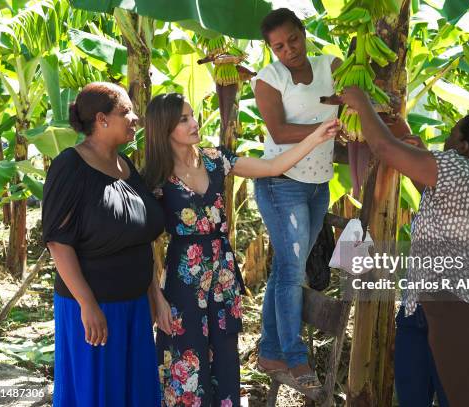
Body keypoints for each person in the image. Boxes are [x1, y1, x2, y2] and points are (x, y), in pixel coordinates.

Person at [142, 93, 339, 406]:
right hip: (183, 284)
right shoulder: (154, 180)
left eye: (192, 115)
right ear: (163, 127)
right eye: (183, 119)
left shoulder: (216, 159)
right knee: (186, 368)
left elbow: (273, 166)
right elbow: (141, 244)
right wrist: (158, 299)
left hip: (223, 278)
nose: (194, 123)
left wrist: (316, 137)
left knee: (225, 363)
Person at [339, 86, 469, 407]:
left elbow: (383, 147)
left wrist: (361, 102)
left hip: (461, 309)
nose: (446, 142)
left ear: (465, 147)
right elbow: (426, 183)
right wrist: (397, 122)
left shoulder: (457, 170)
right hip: (422, 306)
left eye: (452, 136)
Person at [42, 82, 165, 406]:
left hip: (135, 306)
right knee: (98, 394)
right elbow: (58, 243)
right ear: (102, 119)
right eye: (126, 111)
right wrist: (87, 304)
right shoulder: (71, 166)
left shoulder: (126, 166)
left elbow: (139, 237)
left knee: (133, 393)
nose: (135, 118)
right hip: (95, 308)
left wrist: (153, 292)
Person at [251, 7, 343, 387]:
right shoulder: (269, 80)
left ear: (304, 32)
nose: (289, 50)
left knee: (285, 271)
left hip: (318, 182)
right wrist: (326, 128)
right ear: (270, 50)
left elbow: (356, 104)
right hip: (281, 181)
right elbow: (278, 131)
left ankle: (270, 351)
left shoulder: (332, 65)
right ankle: (295, 359)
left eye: (293, 39)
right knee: (291, 271)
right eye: (278, 46)